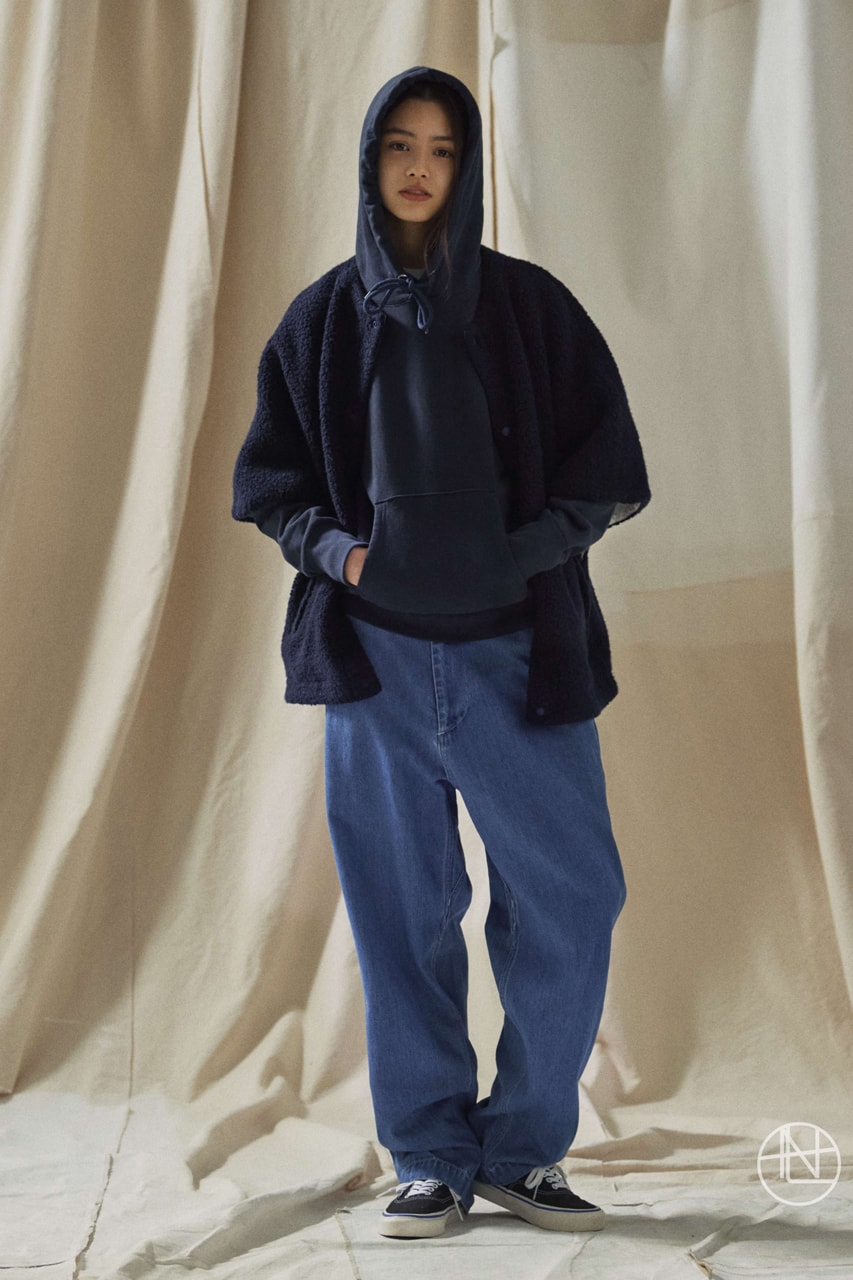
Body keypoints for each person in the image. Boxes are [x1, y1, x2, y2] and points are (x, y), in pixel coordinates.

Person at [232, 66, 650, 1240]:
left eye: (443, 149)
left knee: (571, 896)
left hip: (520, 660)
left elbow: (609, 470)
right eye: (399, 146)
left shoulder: (529, 307)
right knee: (402, 916)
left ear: (465, 167)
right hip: (374, 669)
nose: (419, 168)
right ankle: (426, 1155)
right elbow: (270, 483)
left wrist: (518, 554)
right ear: (369, 160)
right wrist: (343, 555)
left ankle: (522, 1149)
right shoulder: (321, 319)